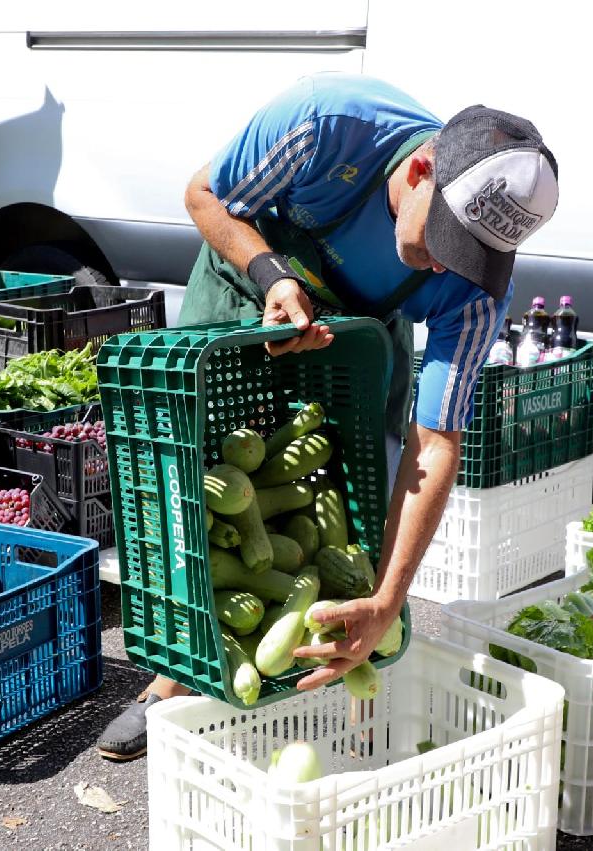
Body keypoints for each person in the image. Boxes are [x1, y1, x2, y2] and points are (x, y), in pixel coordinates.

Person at [96, 74, 559, 761]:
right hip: (242, 282)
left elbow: (434, 447)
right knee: (191, 475)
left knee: (341, 498)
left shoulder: (475, 293)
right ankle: (175, 675)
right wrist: (273, 276)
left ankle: (330, 665)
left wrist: (386, 598)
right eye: (442, 238)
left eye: (470, 258)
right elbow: (205, 194)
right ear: (420, 167)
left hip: (359, 332)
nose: (443, 264)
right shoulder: (329, 123)